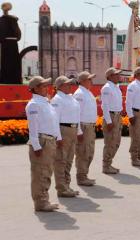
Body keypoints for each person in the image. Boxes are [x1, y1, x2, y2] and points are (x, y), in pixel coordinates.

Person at [26, 76, 61, 212]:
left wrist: (57, 138)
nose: (47, 88)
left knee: (46, 172)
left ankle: (44, 199)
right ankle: (40, 202)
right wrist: (36, 145)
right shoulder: (34, 104)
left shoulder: (46, 102)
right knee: (40, 172)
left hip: (49, 140)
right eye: (43, 86)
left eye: (47, 85)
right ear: (35, 88)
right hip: (42, 141)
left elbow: (52, 122)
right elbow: (33, 127)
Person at [51, 76, 82, 198]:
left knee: (69, 160)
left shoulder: (70, 98)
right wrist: (58, 137)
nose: (70, 86)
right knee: (61, 161)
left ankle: (67, 185)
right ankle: (61, 188)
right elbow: (55, 120)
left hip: (72, 130)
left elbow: (76, 116)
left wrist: (78, 131)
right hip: (63, 130)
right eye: (67, 84)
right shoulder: (57, 99)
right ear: (60, 86)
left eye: (70, 84)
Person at [72, 71, 97, 186]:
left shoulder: (87, 92)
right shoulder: (79, 94)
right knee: (83, 152)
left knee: (90, 152)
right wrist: (79, 131)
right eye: (89, 79)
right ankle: (81, 177)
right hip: (83, 126)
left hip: (90, 127)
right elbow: (76, 114)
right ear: (82, 81)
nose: (91, 82)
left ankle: (84, 175)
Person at [100, 67, 123, 174]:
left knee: (117, 142)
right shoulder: (107, 88)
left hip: (117, 116)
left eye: (118, 74)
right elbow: (105, 106)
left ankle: (109, 163)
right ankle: (106, 166)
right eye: (116, 74)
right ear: (109, 76)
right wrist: (109, 121)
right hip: (111, 116)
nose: (118, 76)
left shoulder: (116, 87)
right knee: (110, 142)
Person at [0, 2, 22, 84]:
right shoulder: (13, 20)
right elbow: (19, 35)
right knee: (13, 65)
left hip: (4, 45)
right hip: (13, 44)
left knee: (5, 64)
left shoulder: (2, 20)